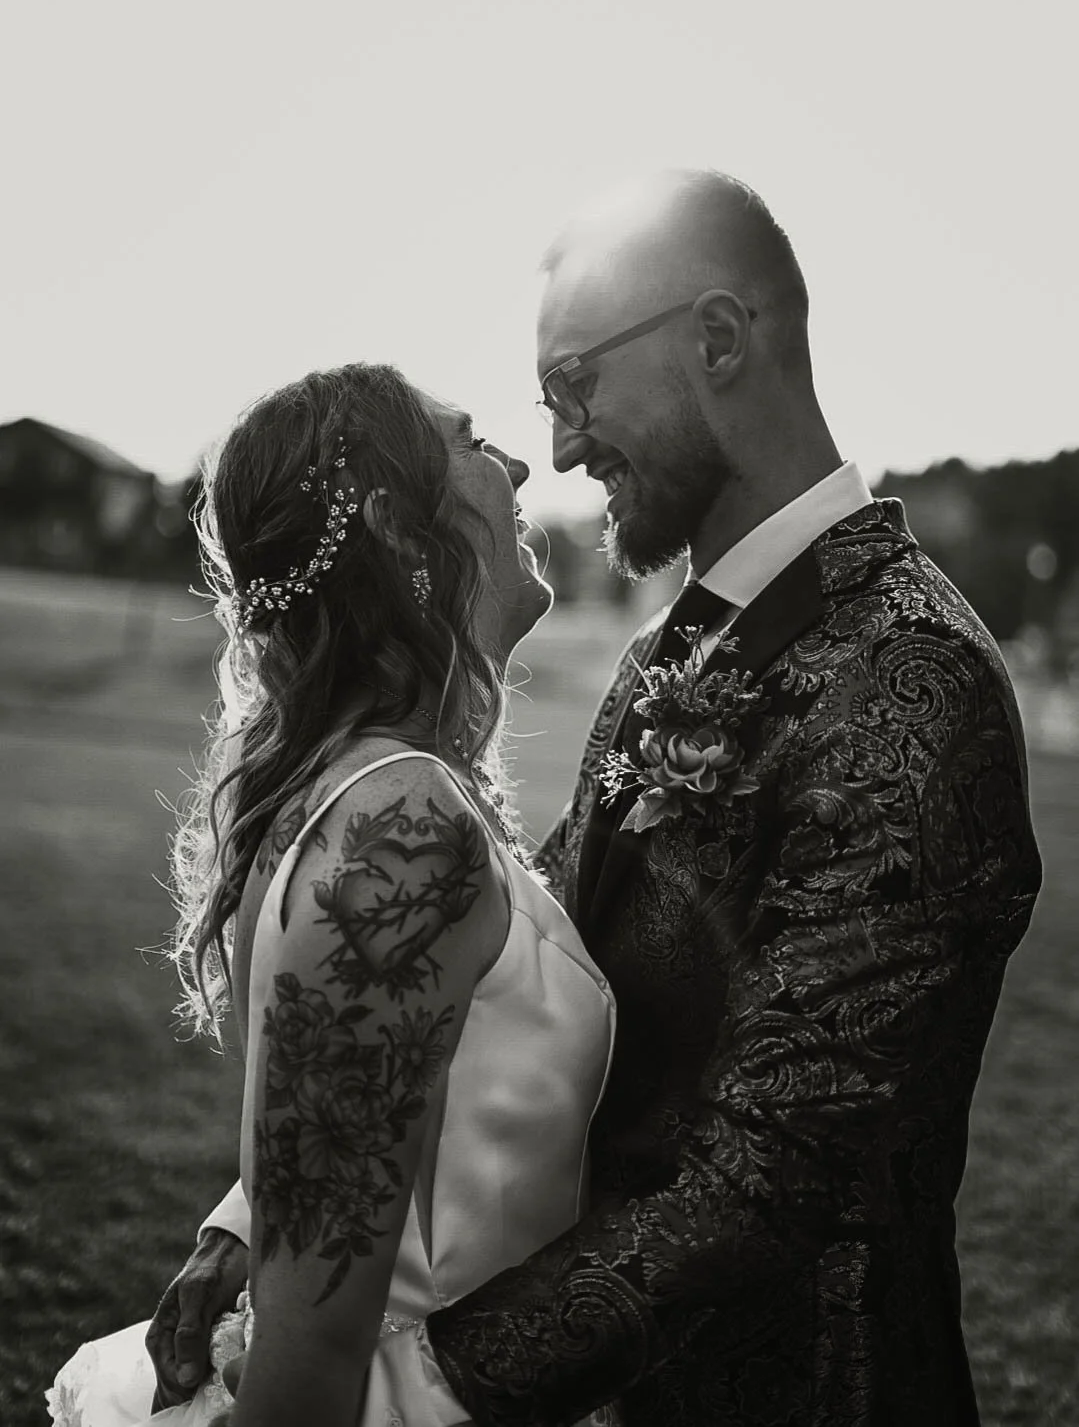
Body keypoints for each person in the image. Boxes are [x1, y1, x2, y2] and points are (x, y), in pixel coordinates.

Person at [148, 168, 1042, 1427]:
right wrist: (275, 1215)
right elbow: (525, 953)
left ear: (717, 341)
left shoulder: (911, 677)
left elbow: (779, 1168)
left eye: (574, 387)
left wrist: (434, 1385)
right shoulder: (665, 661)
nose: (558, 447)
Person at [46, 362, 616, 1427]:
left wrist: (245, 1212)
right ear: (403, 527)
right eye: (475, 441)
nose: (519, 463)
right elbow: (312, 1345)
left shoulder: (374, 787)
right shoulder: (398, 828)